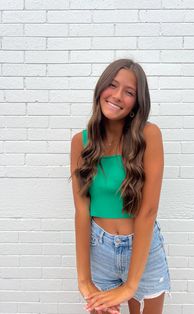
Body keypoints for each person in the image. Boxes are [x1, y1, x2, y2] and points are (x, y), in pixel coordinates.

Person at [70, 58, 171, 314]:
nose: (117, 96)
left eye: (129, 92)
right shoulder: (80, 143)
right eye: (112, 85)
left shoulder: (150, 135)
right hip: (100, 250)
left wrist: (130, 286)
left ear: (137, 103)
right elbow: (82, 211)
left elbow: (148, 210)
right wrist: (84, 280)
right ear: (101, 88)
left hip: (144, 249)